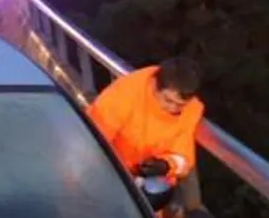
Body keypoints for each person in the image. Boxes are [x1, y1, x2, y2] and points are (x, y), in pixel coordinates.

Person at [86, 57, 204, 185]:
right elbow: (92, 140)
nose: (173, 108)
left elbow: (183, 156)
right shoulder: (125, 94)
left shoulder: (192, 109)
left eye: (180, 105)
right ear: (154, 85)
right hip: (108, 169)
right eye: (168, 100)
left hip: (149, 180)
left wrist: (166, 165)